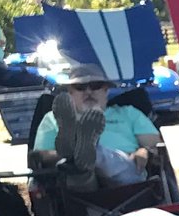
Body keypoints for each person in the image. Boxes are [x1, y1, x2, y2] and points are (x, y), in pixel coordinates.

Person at [30, 64, 162, 190]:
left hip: (126, 176)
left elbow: (156, 146)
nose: (88, 91)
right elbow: (41, 156)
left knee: (98, 157)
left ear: (106, 90)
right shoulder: (54, 118)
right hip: (76, 189)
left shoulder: (128, 113)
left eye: (95, 86)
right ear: (70, 93)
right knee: (75, 169)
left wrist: (145, 151)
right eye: (80, 87)